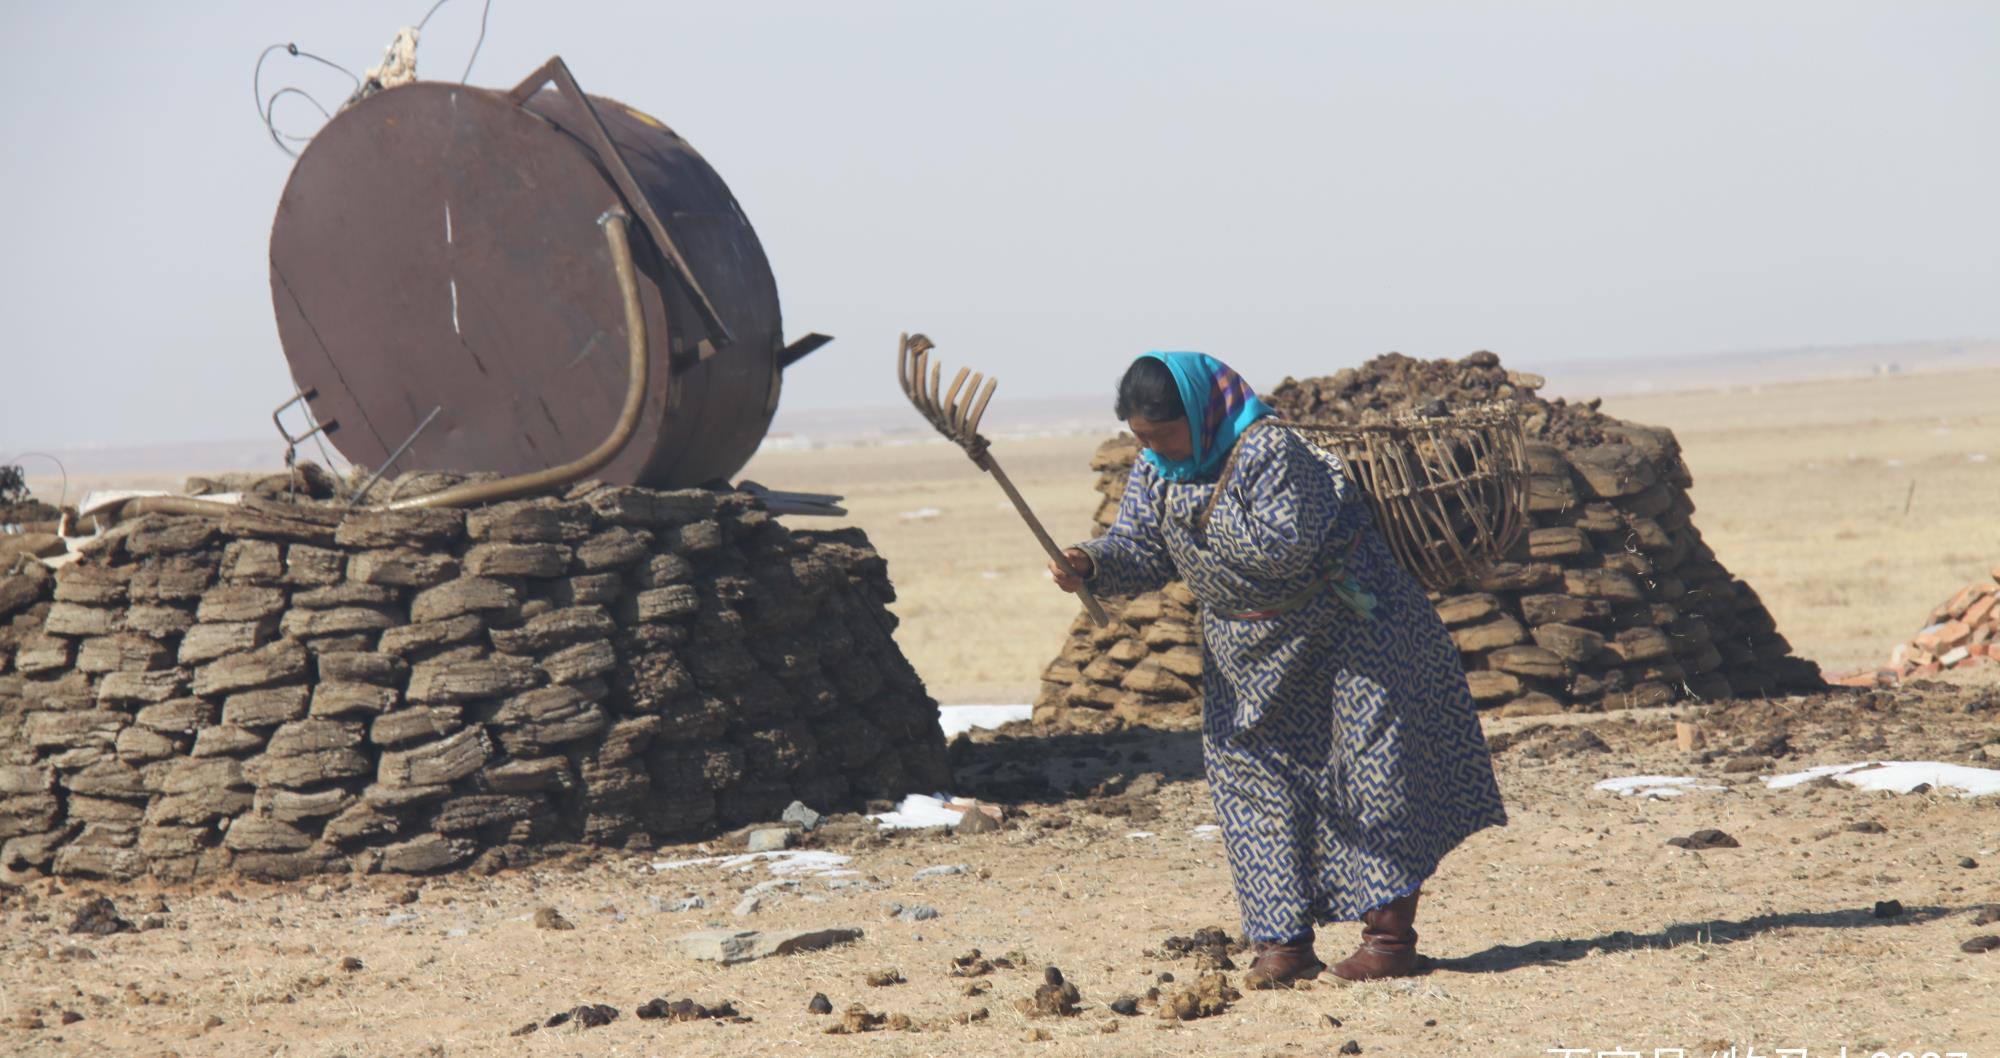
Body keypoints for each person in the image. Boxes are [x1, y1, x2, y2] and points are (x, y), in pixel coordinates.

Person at [1048, 352, 1507, 985]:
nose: (1150, 450)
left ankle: (1389, 943)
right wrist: (1091, 563)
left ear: (1200, 415)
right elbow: (1142, 548)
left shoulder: (1271, 451)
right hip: (1246, 660)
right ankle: (1283, 945)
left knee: (1374, 776)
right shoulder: (1158, 467)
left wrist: (1192, 507)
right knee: (1253, 787)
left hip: (1349, 642)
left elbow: (1284, 550)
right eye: (1140, 438)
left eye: (1160, 434)